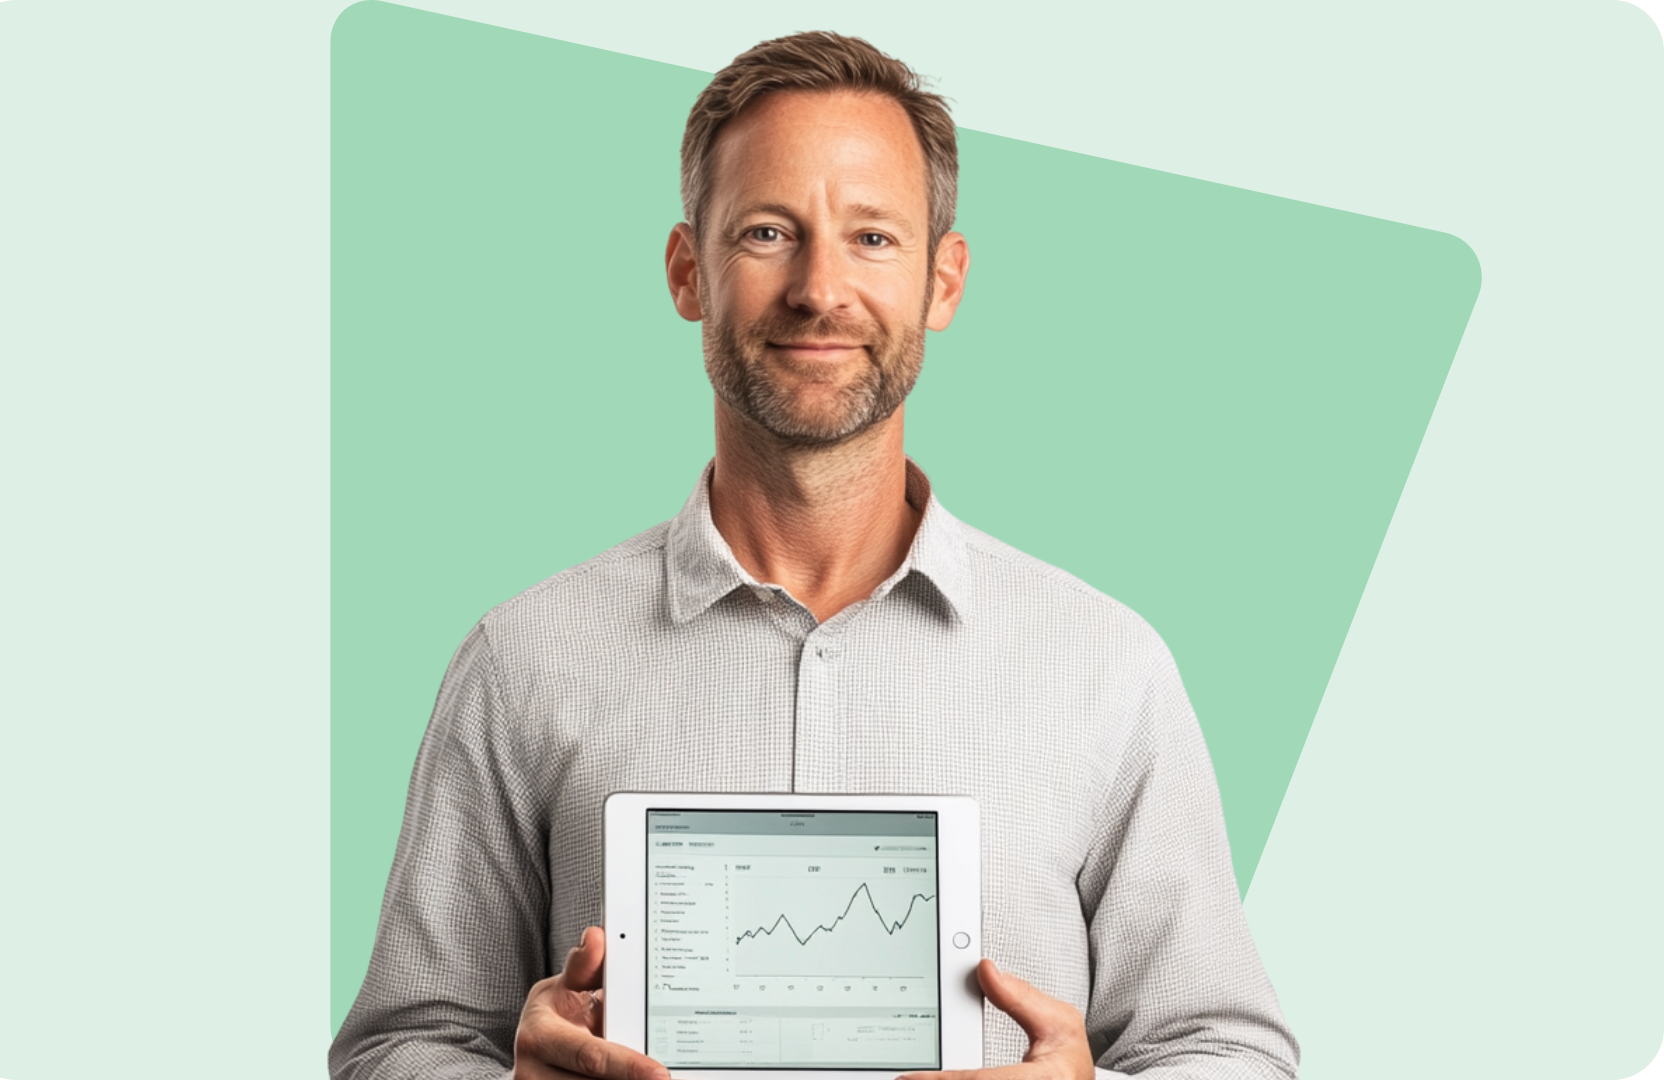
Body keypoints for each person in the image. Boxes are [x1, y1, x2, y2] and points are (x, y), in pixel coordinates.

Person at [331, 30, 1299, 1080]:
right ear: (686, 271)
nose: (818, 288)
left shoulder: (1105, 668)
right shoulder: (523, 660)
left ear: (943, 281)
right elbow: (400, 1046)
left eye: (872, 238)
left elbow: (1225, 1047)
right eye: (765, 232)